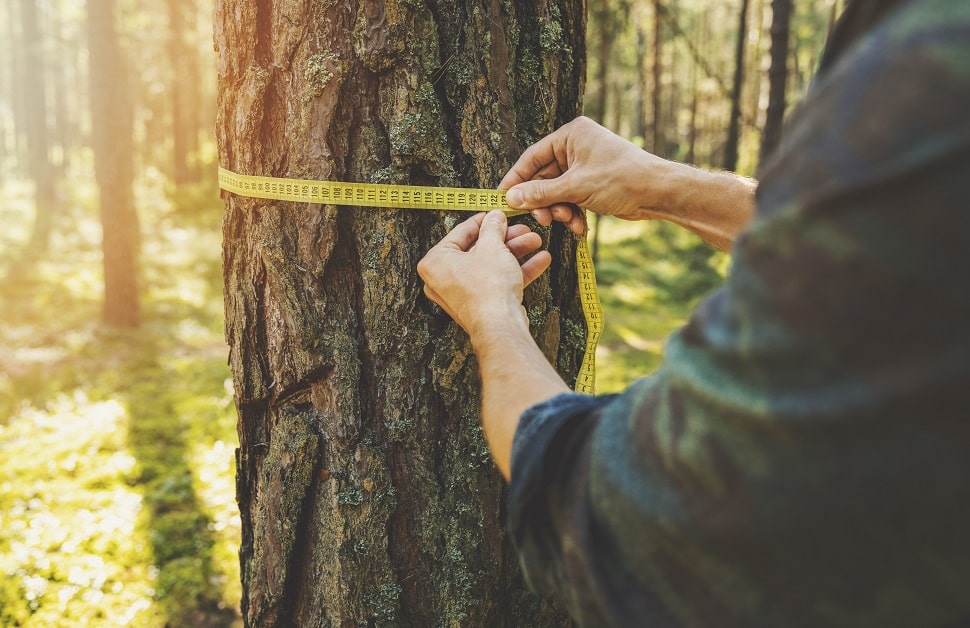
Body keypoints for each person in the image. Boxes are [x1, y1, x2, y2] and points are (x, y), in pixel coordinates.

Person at [418, 0, 970, 625]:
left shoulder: (929, 55)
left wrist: (493, 317)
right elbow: (892, 254)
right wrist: (663, 186)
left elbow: (628, 516)